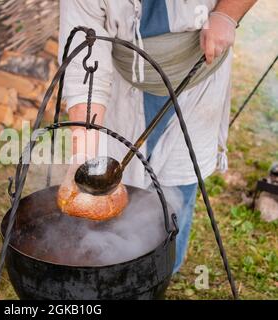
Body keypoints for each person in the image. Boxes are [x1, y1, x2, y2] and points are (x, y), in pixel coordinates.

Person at [59, 0, 258, 272]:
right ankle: (116, 265)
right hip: (126, 81)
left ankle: (163, 269)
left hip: (197, 71)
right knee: (119, 183)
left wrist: (227, 14)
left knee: (178, 184)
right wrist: (83, 155)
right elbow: (85, 68)